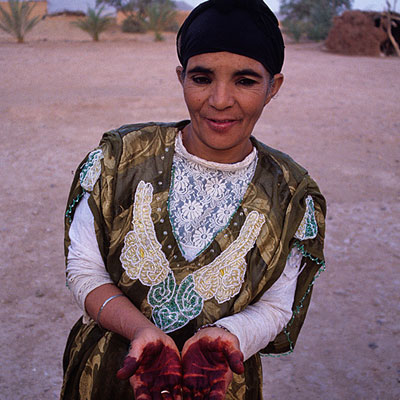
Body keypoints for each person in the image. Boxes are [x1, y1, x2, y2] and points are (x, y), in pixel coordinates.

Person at [60, 0, 326, 399]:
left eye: (245, 81)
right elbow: (84, 269)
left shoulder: (291, 195)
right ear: (182, 77)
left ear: (274, 86)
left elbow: (275, 307)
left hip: (217, 384)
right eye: (202, 78)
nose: (220, 100)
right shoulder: (120, 159)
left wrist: (227, 337)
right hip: (111, 377)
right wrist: (141, 331)